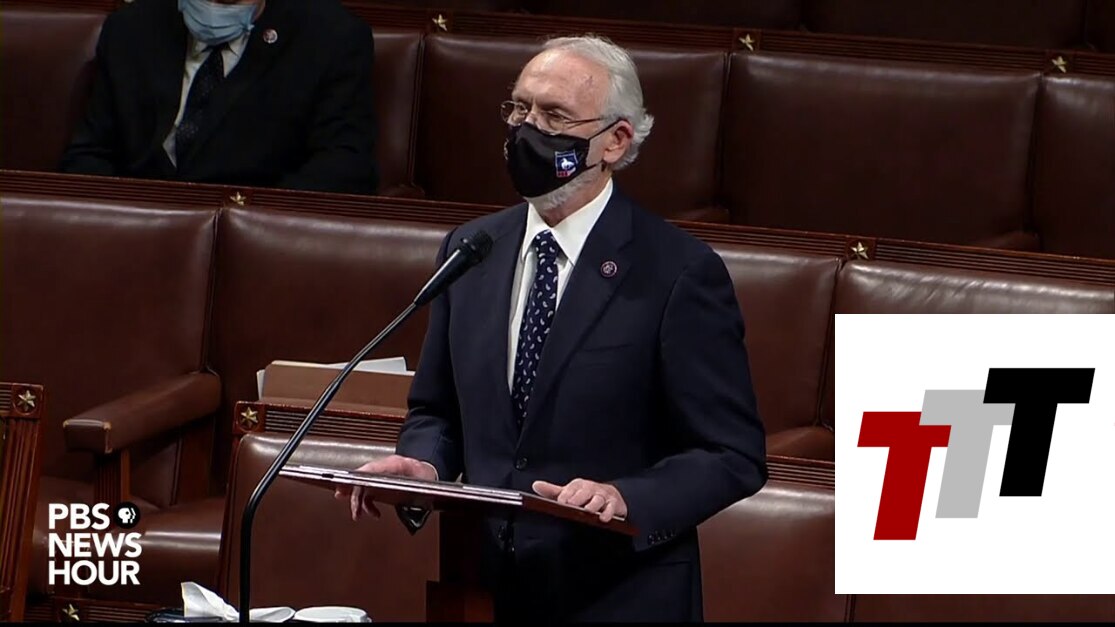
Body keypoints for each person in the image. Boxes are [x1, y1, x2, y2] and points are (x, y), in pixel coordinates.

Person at [336, 34, 767, 622]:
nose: (527, 129)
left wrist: (626, 497)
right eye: (520, 109)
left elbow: (731, 454)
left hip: (618, 594)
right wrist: (424, 465)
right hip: (486, 590)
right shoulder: (472, 249)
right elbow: (437, 410)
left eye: (555, 116)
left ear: (615, 140)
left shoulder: (677, 273)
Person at [58, 0, 378, 195]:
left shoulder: (330, 39)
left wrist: (243, 220)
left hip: (258, 242)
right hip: (138, 237)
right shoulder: (132, 28)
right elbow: (88, 155)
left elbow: (344, 167)